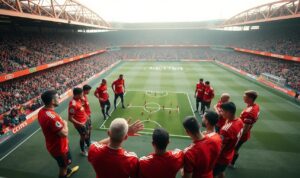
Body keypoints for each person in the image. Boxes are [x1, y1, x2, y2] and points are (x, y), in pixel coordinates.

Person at [38, 90, 79, 178]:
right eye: (57, 97)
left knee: (64, 163)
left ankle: (68, 170)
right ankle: (65, 173)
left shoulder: (41, 112)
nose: (59, 98)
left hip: (53, 145)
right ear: (52, 101)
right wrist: (65, 124)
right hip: (60, 148)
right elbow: (64, 133)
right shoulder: (52, 117)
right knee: (63, 167)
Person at [213, 102, 244, 178]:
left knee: (211, 174)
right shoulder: (239, 121)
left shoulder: (226, 129)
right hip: (229, 154)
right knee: (221, 172)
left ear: (229, 112)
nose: (221, 113)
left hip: (221, 158)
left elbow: (220, 148)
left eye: (222, 111)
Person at [230, 90, 260, 167]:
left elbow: (245, 129)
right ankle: (231, 162)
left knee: (234, 149)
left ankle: (231, 163)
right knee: (235, 148)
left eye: (245, 96)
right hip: (244, 133)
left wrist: (236, 136)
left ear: (250, 98)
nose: (243, 97)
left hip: (241, 135)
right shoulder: (255, 106)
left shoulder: (249, 112)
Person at [68, 88, 90, 156]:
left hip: (84, 121)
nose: (82, 95)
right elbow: (70, 118)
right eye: (81, 94)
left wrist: (86, 116)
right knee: (83, 136)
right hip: (80, 124)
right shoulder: (73, 105)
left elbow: (82, 110)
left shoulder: (79, 100)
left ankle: (88, 144)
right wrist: (80, 124)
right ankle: (83, 151)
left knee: (87, 134)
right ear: (77, 95)